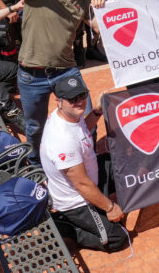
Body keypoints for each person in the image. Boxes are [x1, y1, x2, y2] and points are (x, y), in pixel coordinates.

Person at [1, 0, 92, 157]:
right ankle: (36, 164)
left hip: (66, 70)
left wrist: (107, 8)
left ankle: (80, 157)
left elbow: (100, 27)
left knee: (84, 116)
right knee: (35, 127)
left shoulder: (83, 0)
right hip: (32, 75)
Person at [40, 74, 128, 251]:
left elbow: (82, 128)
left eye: (82, 95)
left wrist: (97, 111)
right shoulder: (62, 140)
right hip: (77, 200)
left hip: (89, 174)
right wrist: (110, 207)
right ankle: (65, 226)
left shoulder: (69, 115)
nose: (79, 101)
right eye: (73, 99)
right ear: (59, 101)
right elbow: (81, 184)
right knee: (117, 238)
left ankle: (101, 203)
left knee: (125, 164)